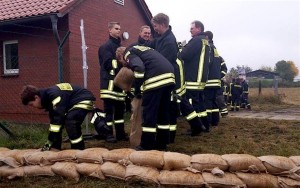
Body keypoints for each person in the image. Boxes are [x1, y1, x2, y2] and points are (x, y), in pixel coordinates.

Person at [151, 13, 205, 142]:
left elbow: (162, 61)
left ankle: (174, 135)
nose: (154, 29)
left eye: (155, 26)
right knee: (181, 103)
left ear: (163, 24)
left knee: (174, 106)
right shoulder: (162, 38)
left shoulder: (169, 41)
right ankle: (196, 126)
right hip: (177, 77)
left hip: (175, 79)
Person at [115, 45, 175, 150]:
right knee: (163, 113)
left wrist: (138, 89)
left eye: (121, 62)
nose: (123, 64)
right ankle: (162, 144)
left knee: (149, 114)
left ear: (121, 56)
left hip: (155, 78)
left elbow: (139, 68)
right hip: (169, 76)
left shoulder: (128, 53)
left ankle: (147, 145)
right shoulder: (142, 49)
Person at [20, 83, 96, 151]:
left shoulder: (54, 96)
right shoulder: (48, 99)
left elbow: (58, 120)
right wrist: (51, 145)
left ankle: (78, 150)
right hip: (73, 102)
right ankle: (56, 148)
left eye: (31, 104)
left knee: (71, 121)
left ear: (36, 97)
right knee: (57, 123)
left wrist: (48, 143)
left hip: (83, 99)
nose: (33, 107)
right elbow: (55, 125)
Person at [179, 20, 211, 131]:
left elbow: (184, 55)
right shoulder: (205, 41)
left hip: (193, 78)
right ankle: (205, 125)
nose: (190, 30)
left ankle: (196, 127)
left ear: (198, 29)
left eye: (192, 28)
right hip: (200, 78)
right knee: (200, 104)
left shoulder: (196, 40)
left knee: (191, 104)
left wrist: (181, 48)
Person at [98, 22, 127, 143]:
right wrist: (122, 64)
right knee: (109, 112)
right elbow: (108, 64)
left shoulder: (119, 45)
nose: (119, 31)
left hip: (119, 85)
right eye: (116, 29)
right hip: (109, 86)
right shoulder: (106, 46)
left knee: (120, 112)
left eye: (120, 28)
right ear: (109, 30)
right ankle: (108, 134)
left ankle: (120, 134)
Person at [203, 30, 223, 126]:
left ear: (206, 37)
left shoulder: (208, 48)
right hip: (216, 81)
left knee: (207, 102)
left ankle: (208, 122)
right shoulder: (215, 48)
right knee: (214, 102)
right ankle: (215, 121)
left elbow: (207, 63)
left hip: (209, 81)